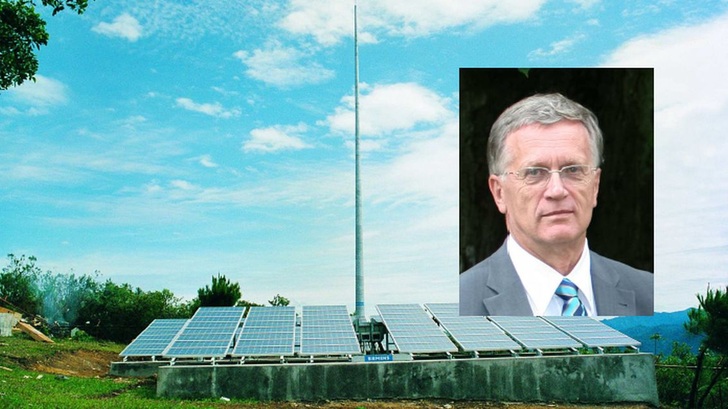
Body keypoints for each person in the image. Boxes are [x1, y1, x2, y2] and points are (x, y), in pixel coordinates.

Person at [459, 93, 653, 316]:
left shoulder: (648, 294)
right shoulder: (460, 305)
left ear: (595, 186)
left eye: (573, 170)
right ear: (499, 193)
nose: (557, 190)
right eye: (534, 172)